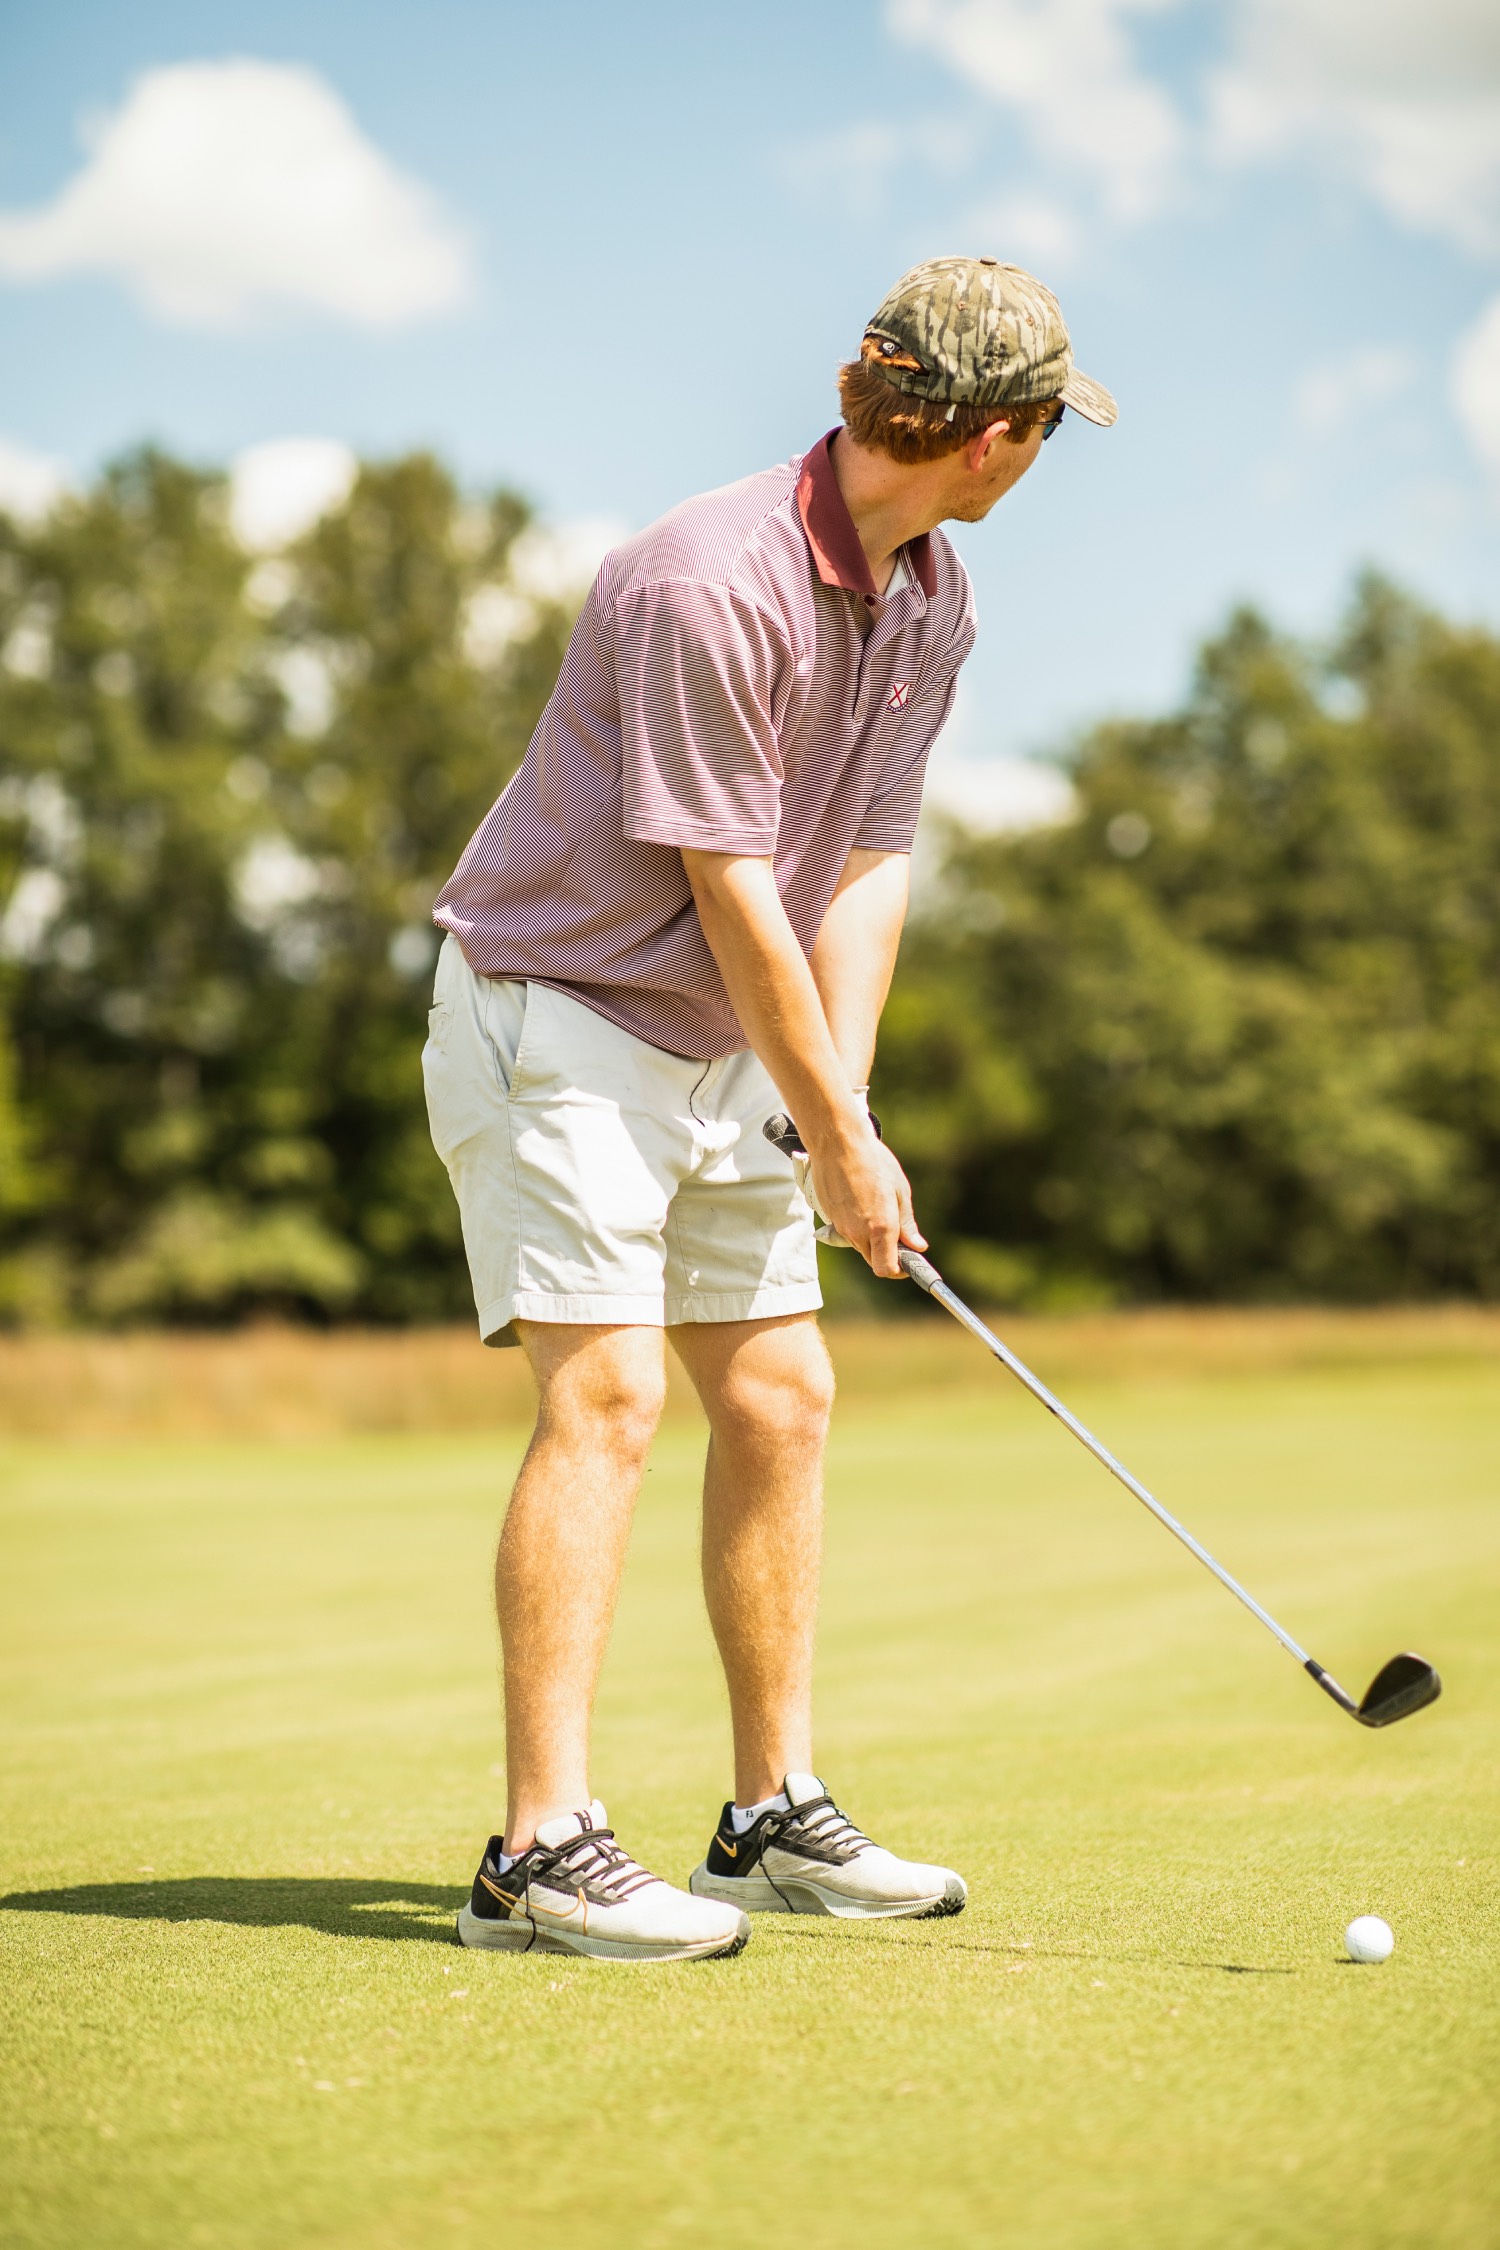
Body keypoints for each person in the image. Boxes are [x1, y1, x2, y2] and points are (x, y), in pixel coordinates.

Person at [425, 255, 1116, 1963]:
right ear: (999, 437)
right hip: (564, 1013)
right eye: (1044, 431)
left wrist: (841, 1104)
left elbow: (867, 856)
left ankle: (767, 1814)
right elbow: (730, 885)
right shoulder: (704, 582)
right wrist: (838, 1121)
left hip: (732, 1038)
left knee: (785, 1396)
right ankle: (538, 1846)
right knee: (607, 1398)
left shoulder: (934, 596)